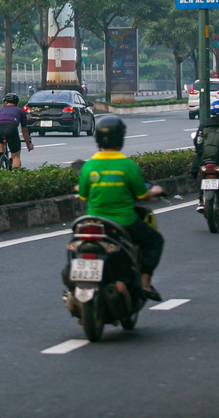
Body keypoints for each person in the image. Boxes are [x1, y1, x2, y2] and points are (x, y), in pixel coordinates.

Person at [77, 115, 165, 301]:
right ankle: (145, 282)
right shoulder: (127, 165)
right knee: (155, 241)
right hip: (124, 222)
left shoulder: (89, 165)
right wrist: (156, 190)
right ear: (121, 139)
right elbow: (141, 194)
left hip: (93, 222)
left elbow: (83, 195)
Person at [0, 93, 33, 169]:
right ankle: (14, 175)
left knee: (0, 142)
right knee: (16, 156)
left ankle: (0, 165)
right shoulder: (21, 111)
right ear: (17, 103)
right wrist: (28, 144)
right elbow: (24, 131)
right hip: (11, 129)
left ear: (5, 103)